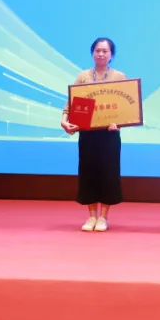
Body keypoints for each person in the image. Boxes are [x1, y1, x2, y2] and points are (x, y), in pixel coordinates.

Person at [61, 37, 125, 232]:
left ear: (111, 55)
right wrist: (64, 119)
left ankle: (103, 217)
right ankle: (91, 217)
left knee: (108, 174)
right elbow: (71, 103)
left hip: (109, 134)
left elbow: (126, 107)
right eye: (97, 50)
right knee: (88, 173)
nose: (101, 54)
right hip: (87, 134)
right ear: (92, 53)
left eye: (105, 51)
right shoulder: (83, 76)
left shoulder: (119, 77)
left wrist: (119, 122)